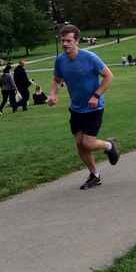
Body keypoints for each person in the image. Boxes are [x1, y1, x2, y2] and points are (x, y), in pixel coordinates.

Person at [49, 25, 120, 190]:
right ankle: (95, 175)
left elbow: (109, 76)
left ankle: (109, 146)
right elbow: (56, 80)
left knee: (88, 144)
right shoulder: (60, 60)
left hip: (93, 108)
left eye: (69, 41)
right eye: (63, 40)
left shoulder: (90, 57)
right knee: (79, 144)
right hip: (76, 108)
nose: (65, 44)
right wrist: (53, 94)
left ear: (77, 41)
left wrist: (96, 96)